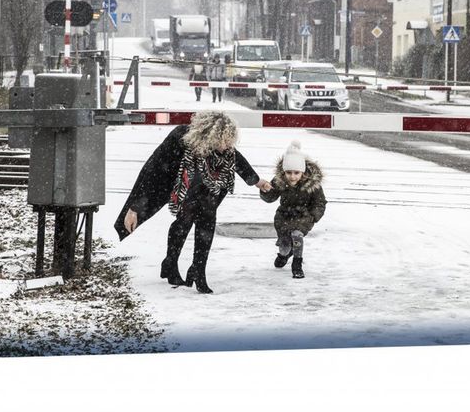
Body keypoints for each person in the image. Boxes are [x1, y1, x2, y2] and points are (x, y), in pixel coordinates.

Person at [114, 111, 272, 294]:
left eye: (231, 140)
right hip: (184, 186)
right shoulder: (180, 138)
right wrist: (135, 208)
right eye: (225, 140)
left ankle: (198, 270)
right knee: (184, 221)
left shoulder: (225, 149)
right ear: (210, 137)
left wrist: (257, 182)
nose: (229, 145)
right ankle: (170, 263)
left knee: (207, 222)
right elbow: (152, 171)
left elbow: (238, 161)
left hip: (209, 190)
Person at [259, 141, 327, 279]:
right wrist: (265, 191)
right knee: (284, 245)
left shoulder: (312, 184)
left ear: (302, 172)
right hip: (283, 216)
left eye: (296, 173)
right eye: (289, 172)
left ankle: (297, 264)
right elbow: (271, 197)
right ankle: (284, 254)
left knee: (297, 236)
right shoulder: (280, 181)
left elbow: (319, 202)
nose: (292, 176)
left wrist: (313, 216)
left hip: (303, 216)